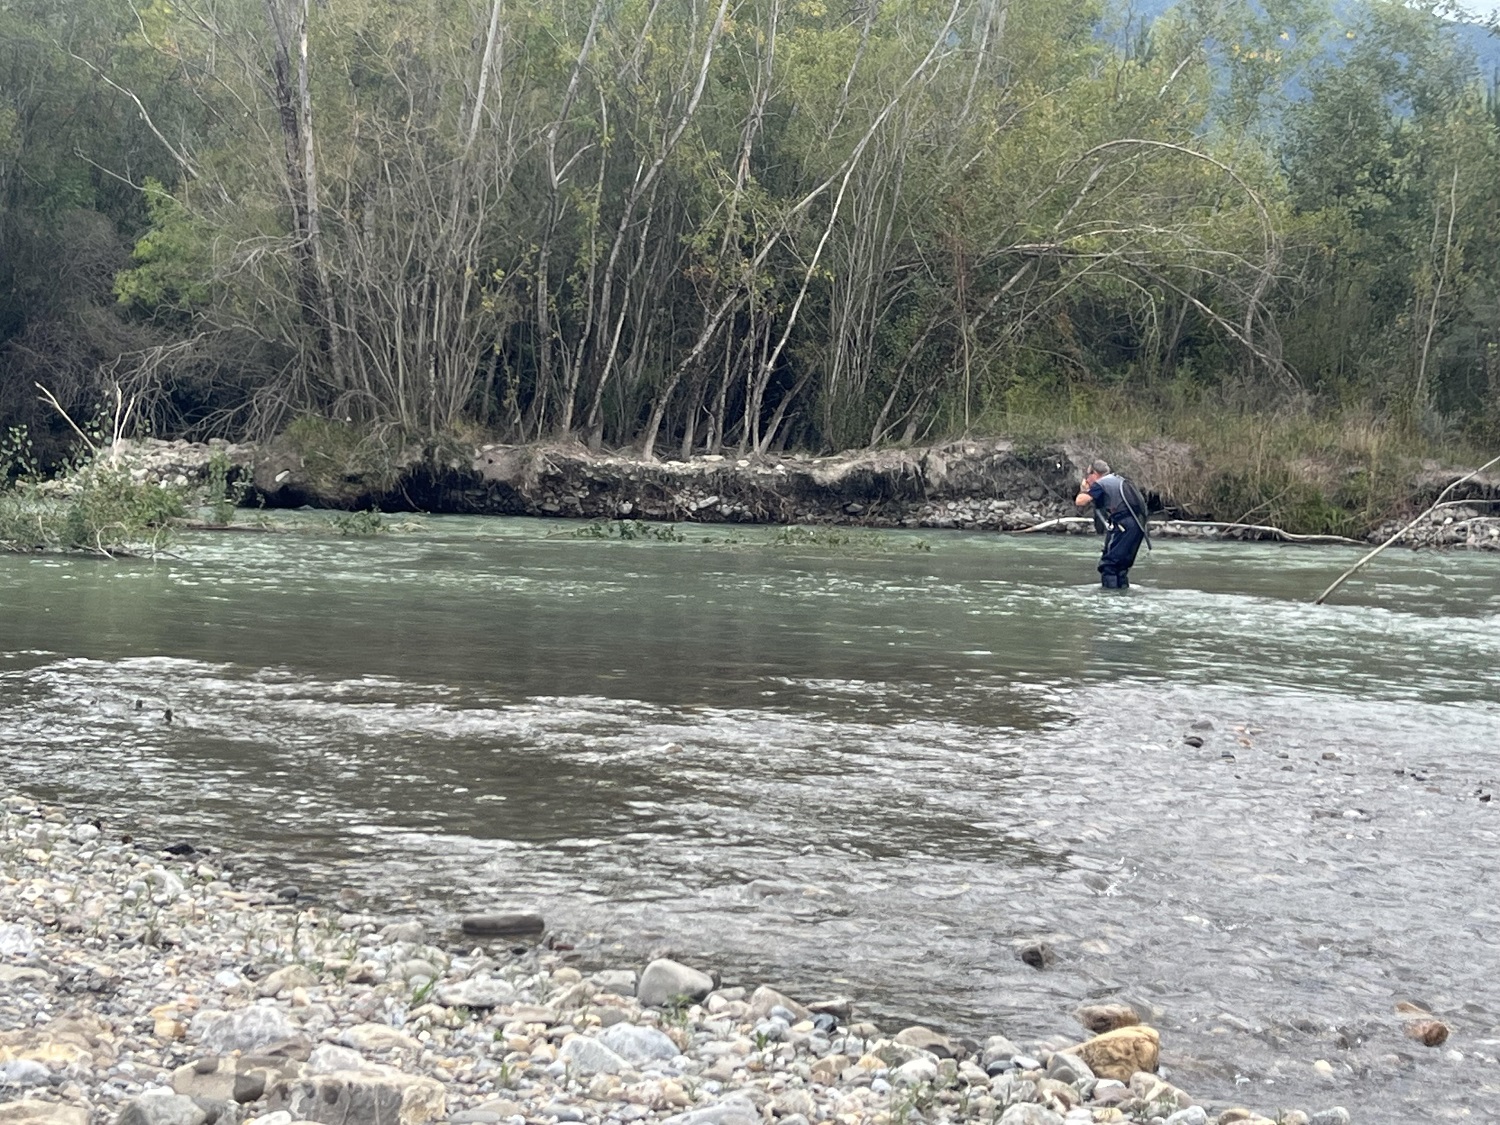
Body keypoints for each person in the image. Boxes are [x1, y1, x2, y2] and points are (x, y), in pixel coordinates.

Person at [1074, 459, 1149, 588]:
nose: (1087, 478)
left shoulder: (1101, 483)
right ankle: (1121, 595)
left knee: (1109, 566)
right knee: (1121, 567)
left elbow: (1080, 501)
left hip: (1124, 526)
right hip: (1138, 526)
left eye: (1088, 475)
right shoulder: (1118, 480)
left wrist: (1084, 489)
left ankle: (1109, 597)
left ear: (1094, 473)